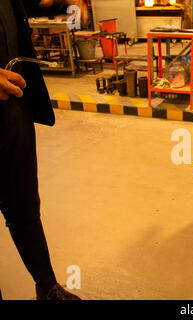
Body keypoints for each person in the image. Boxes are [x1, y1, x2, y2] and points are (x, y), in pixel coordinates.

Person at [0, 0, 86, 300]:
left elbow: (27, 3)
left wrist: (66, 4)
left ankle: (46, 286)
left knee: (24, 205)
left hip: (15, 107)